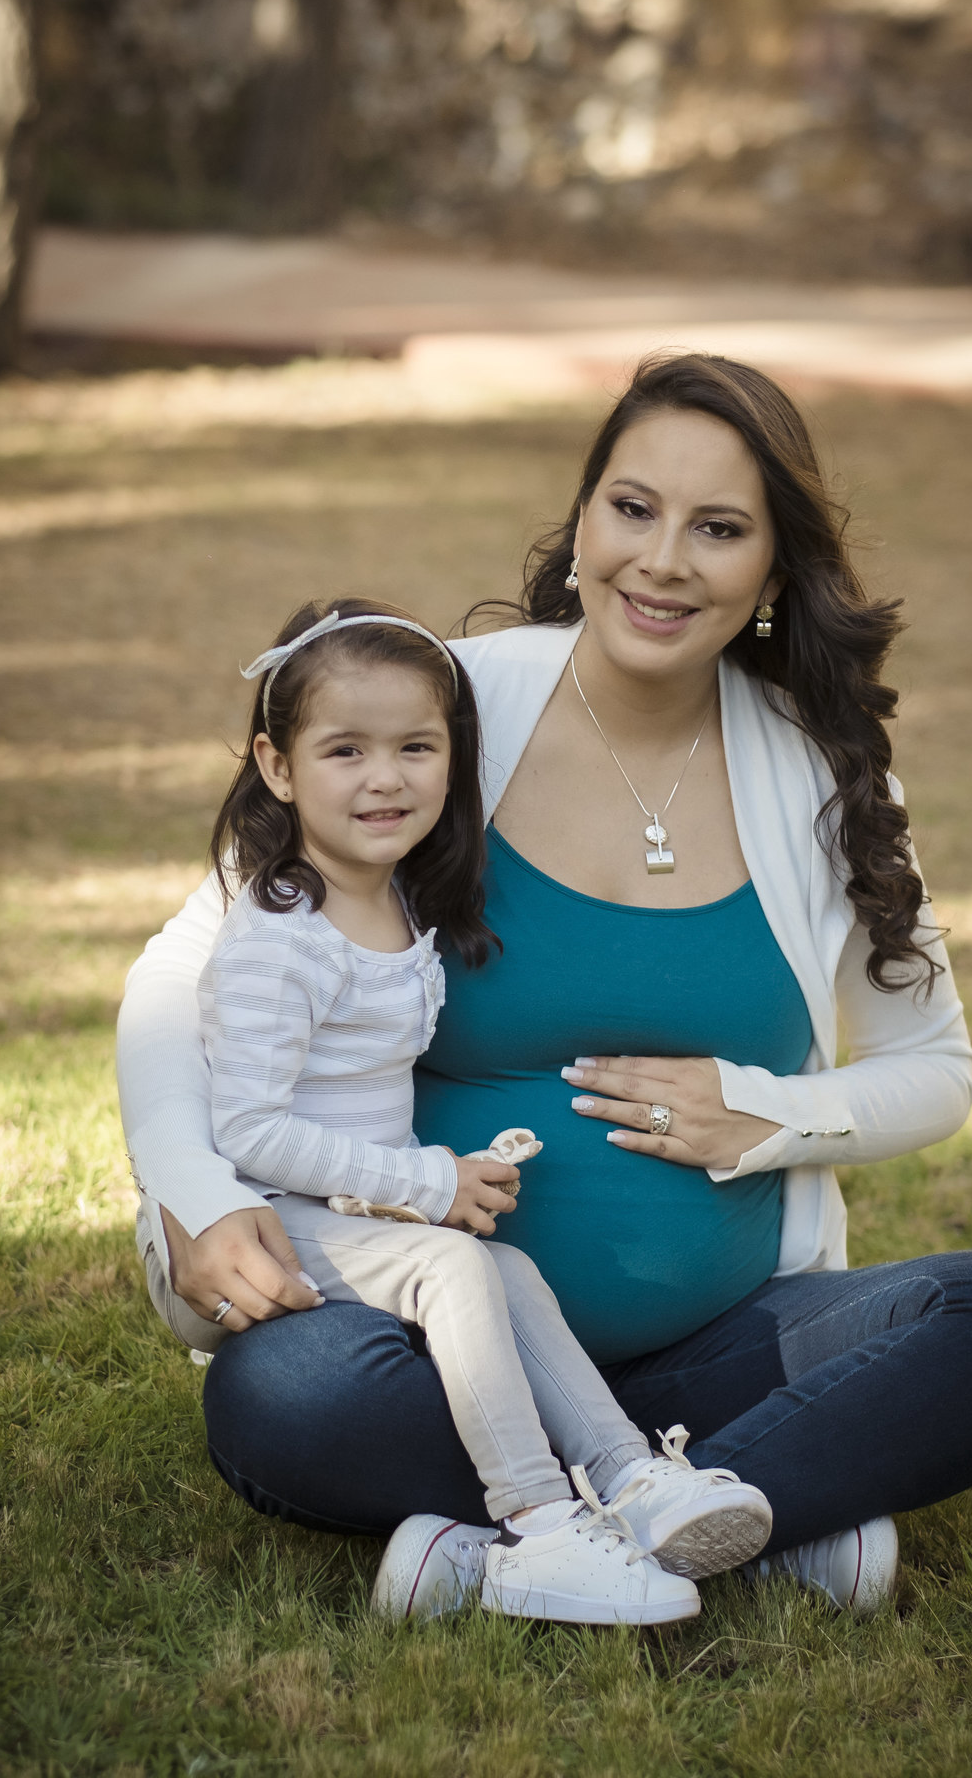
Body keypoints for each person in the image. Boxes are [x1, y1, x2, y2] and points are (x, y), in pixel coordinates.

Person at [117, 353, 972, 1621]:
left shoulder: (827, 778)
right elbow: (177, 970)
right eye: (632, 508)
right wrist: (195, 1193)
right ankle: (733, 1513)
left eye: (720, 529)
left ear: (772, 574)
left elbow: (938, 1070)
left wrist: (770, 1113)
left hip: (731, 1351)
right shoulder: (445, 713)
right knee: (288, 1398)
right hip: (437, 1349)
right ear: (582, 521)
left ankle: (543, 1538)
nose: (664, 560)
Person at [190, 594, 775, 1624]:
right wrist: (430, 1183)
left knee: (505, 1270)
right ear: (277, 768)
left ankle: (633, 1478)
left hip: (361, 1214)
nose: (385, 778)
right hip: (285, 1222)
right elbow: (246, 1130)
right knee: (459, 1262)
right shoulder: (281, 935)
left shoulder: (398, 894)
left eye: (417, 746)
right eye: (344, 752)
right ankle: (539, 1522)